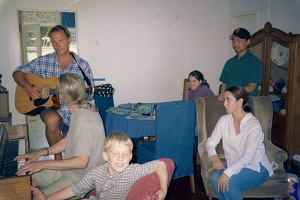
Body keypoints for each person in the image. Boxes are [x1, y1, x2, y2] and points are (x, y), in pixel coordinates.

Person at [14, 73, 105, 198]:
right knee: (26, 179)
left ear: (61, 96)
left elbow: (81, 162)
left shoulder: (84, 120)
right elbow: (68, 140)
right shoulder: (80, 110)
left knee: (37, 197)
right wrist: (40, 153)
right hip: (71, 170)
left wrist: (44, 164)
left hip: (83, 176)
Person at [12, 25, 94, 160]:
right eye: (53, 42)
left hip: (72, 111)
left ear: (69, 40)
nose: (57, 45)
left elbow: (89, 94)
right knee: (51, 120)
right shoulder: (44, 61)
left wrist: (73, 95)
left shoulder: (82, 65)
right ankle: (57, 158)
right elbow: (17, 73)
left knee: (75, 151)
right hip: (51, 107)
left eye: (60, 41)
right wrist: (28, 87)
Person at [31, 131, 169, 200]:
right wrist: (47, 198)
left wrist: (164, 190)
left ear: (131, 157)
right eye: (115, 154)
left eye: (125, 154)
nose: (121, 159)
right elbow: (75, 189)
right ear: (105, 156)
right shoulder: (96, 173)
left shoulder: (133, 170)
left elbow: (161, 164)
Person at [206, 86, 273, 200]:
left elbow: (248, 157)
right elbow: (210, 142)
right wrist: (215, 157)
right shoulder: (224, 120)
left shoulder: (253, 125)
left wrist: (227, 173)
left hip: (256, 166)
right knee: (214, 178)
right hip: (234, 162)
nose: (224, 104)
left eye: (228, 100)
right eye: (224, 100)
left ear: (240, 101)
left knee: (230, 182)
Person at [219, 28, 263, 99]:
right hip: (229, 101)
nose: (235, 44)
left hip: (246, 103)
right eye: (233, 41)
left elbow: (251, 87)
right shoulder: (229, 62)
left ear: (247, 42)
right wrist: (223, 97)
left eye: (239, 41)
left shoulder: (254, 62)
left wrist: (231, 93)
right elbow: (224, 84)